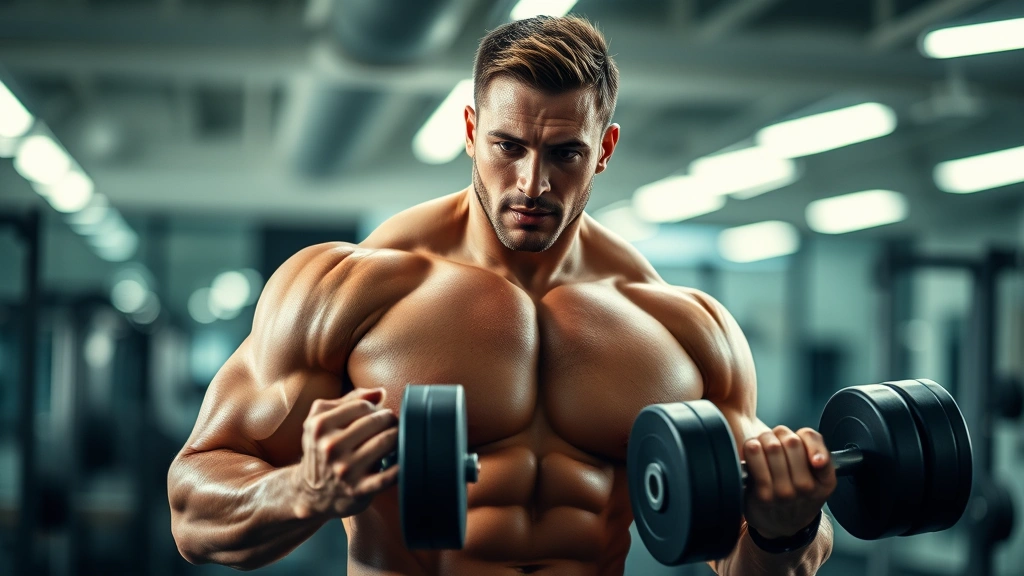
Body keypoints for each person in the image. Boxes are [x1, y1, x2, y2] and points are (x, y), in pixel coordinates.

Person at [168, 15, 835, 576]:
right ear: (469, 130)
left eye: (565, 153)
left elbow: (752, 559)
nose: (531, 183)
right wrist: (302, 490)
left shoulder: (684, 328)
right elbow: (193, 512)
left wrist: (786, 527)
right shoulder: (347, 289)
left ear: (604, 148)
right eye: (508, 146)